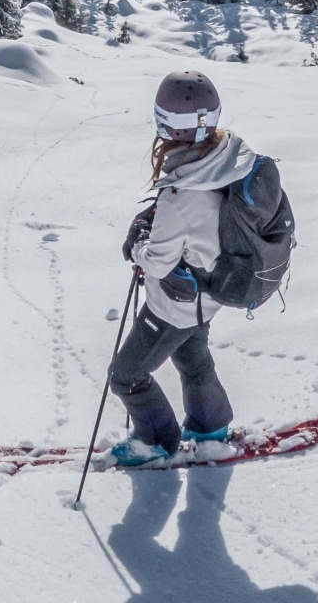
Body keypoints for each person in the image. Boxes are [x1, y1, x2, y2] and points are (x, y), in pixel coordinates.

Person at [108, 70, 260, 468]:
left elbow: (157, 259)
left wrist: (139, 243)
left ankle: (156, 443)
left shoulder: (181, 195)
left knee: (127, 376)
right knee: (193, 361)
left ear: (163, 124)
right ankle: (209, 428)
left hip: (174, 306)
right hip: (208, 293)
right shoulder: (226, 158)